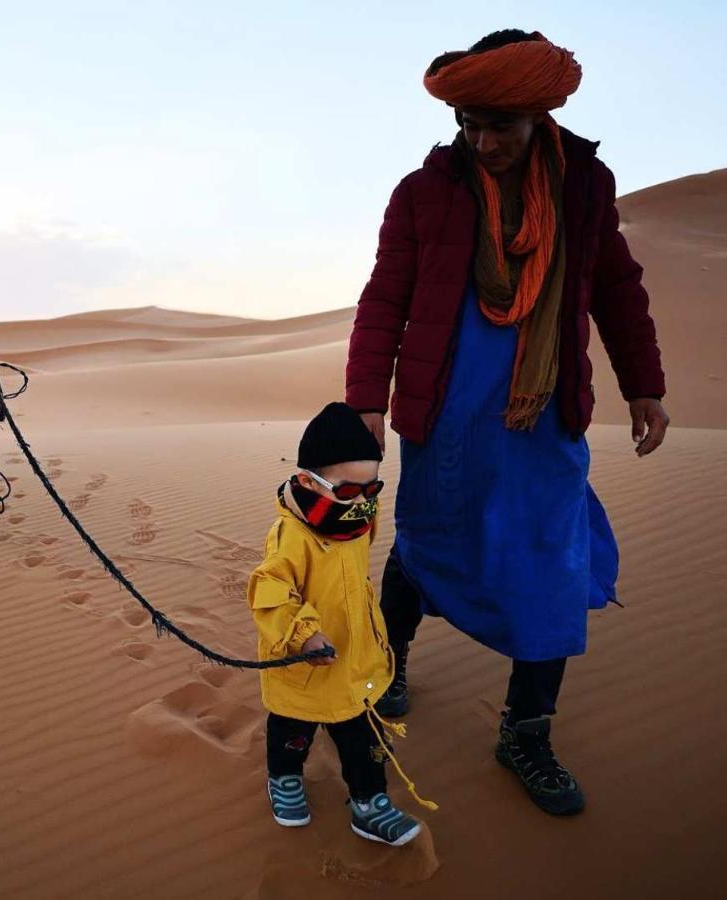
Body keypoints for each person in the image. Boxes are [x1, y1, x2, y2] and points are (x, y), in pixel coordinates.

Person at [345, 29, 669, 816]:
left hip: (543, 411)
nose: (483, 141)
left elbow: (616, 288)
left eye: (501, 126)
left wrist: (644, 385)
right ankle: (387, 669)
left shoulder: (584, 186)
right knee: (424, 542)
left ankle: (526, 732)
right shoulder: (424, 192)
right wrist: (365, 401)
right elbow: (385, 297)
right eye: (469, 124)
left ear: (537, 117)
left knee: (550, 561)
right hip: (447, 411)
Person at [247, 403, 435, 846]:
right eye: (351, 490)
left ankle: (369, 805)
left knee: (364, 743)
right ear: (311, 483)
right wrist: (302, 634)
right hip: (305, 664)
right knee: (291, 730)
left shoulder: (355, 518)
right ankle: (285, 778)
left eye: (374, 488)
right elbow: (268, 592)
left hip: (354, 660)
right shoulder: (292, 534)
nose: (365, 501)